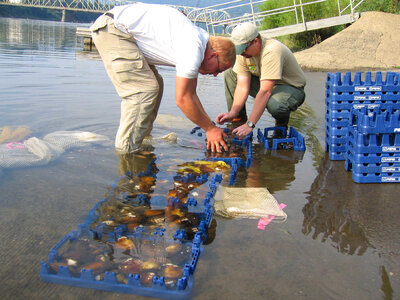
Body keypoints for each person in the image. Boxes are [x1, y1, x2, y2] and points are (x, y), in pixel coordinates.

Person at [90, 3, 236, 153]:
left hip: (121, 28)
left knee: (156, 84)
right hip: (114, 30)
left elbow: (191, 94)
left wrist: (210, 126)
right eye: (219, 69)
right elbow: (183, 99)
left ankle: (142, 139)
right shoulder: (193, 48)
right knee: (144, 90)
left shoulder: (197, 42)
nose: (215, 75)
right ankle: (127, 152)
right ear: (213, 55)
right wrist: (210, 129)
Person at [216, 22, 306, 137]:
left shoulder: (272, 50)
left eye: (244, 49)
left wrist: (250, 124)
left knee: (276, 105)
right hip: (266, 84)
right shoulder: (243, 54)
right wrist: (233, 112)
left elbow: (265, 92)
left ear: (256, 41)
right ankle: (238, 119)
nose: (242, 53)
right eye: (239, 50)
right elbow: (242, 86)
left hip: (290, 87)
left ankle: (281, 124)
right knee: (231, 73)